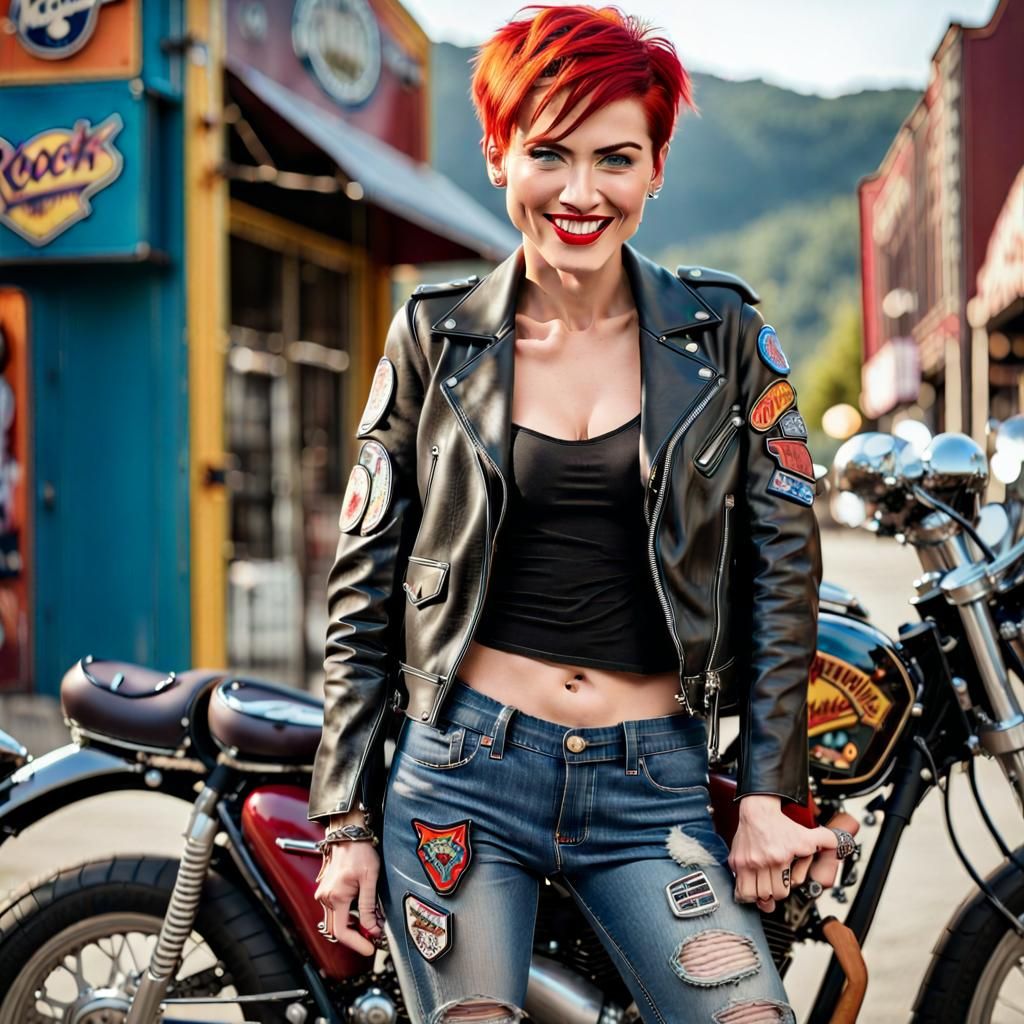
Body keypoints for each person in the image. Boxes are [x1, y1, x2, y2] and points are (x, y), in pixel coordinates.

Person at [310, 6, 842, 1022]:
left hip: (653, 787)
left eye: (615, 157)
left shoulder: (727, 333)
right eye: (548, 152)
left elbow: (786, 564)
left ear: (654, 171)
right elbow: (364, 582)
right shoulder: (434, 337)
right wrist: (344, 820)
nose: (581, 191)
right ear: (500, 157)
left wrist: (772, 794)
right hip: (463, 776)